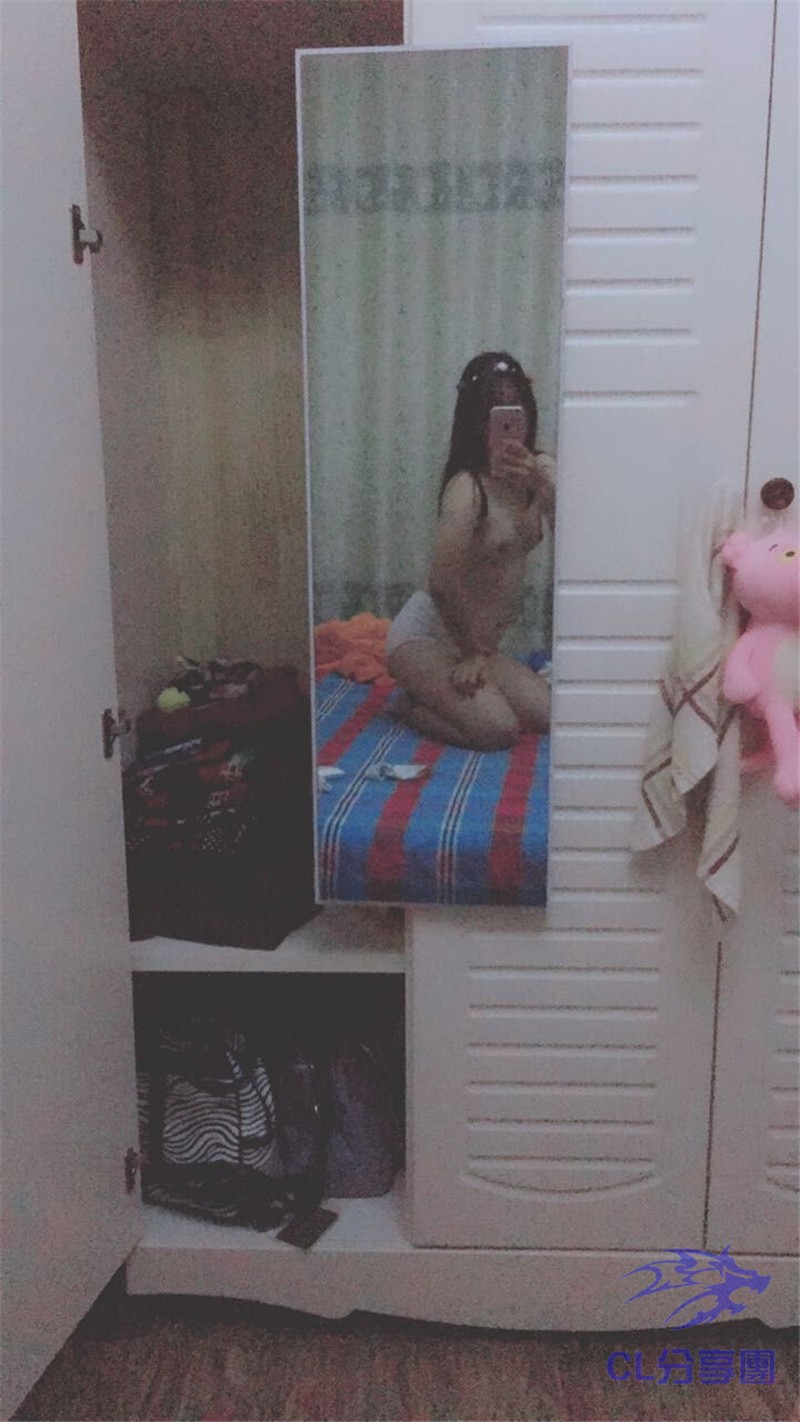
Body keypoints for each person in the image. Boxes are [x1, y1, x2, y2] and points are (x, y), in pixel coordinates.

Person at [386, 351, 555, 751]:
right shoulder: (467, 488)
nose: (508, 422)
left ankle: (442, 692)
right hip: (429, 636)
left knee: (550, 713)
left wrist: (545, 488)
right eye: (494, 409)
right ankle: (409, 704)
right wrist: (472, 652)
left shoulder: (542, 471)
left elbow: (581, 546)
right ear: (475, 420)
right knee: (498, 730)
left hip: (481, 645)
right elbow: (442, 583)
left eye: (515, 406)